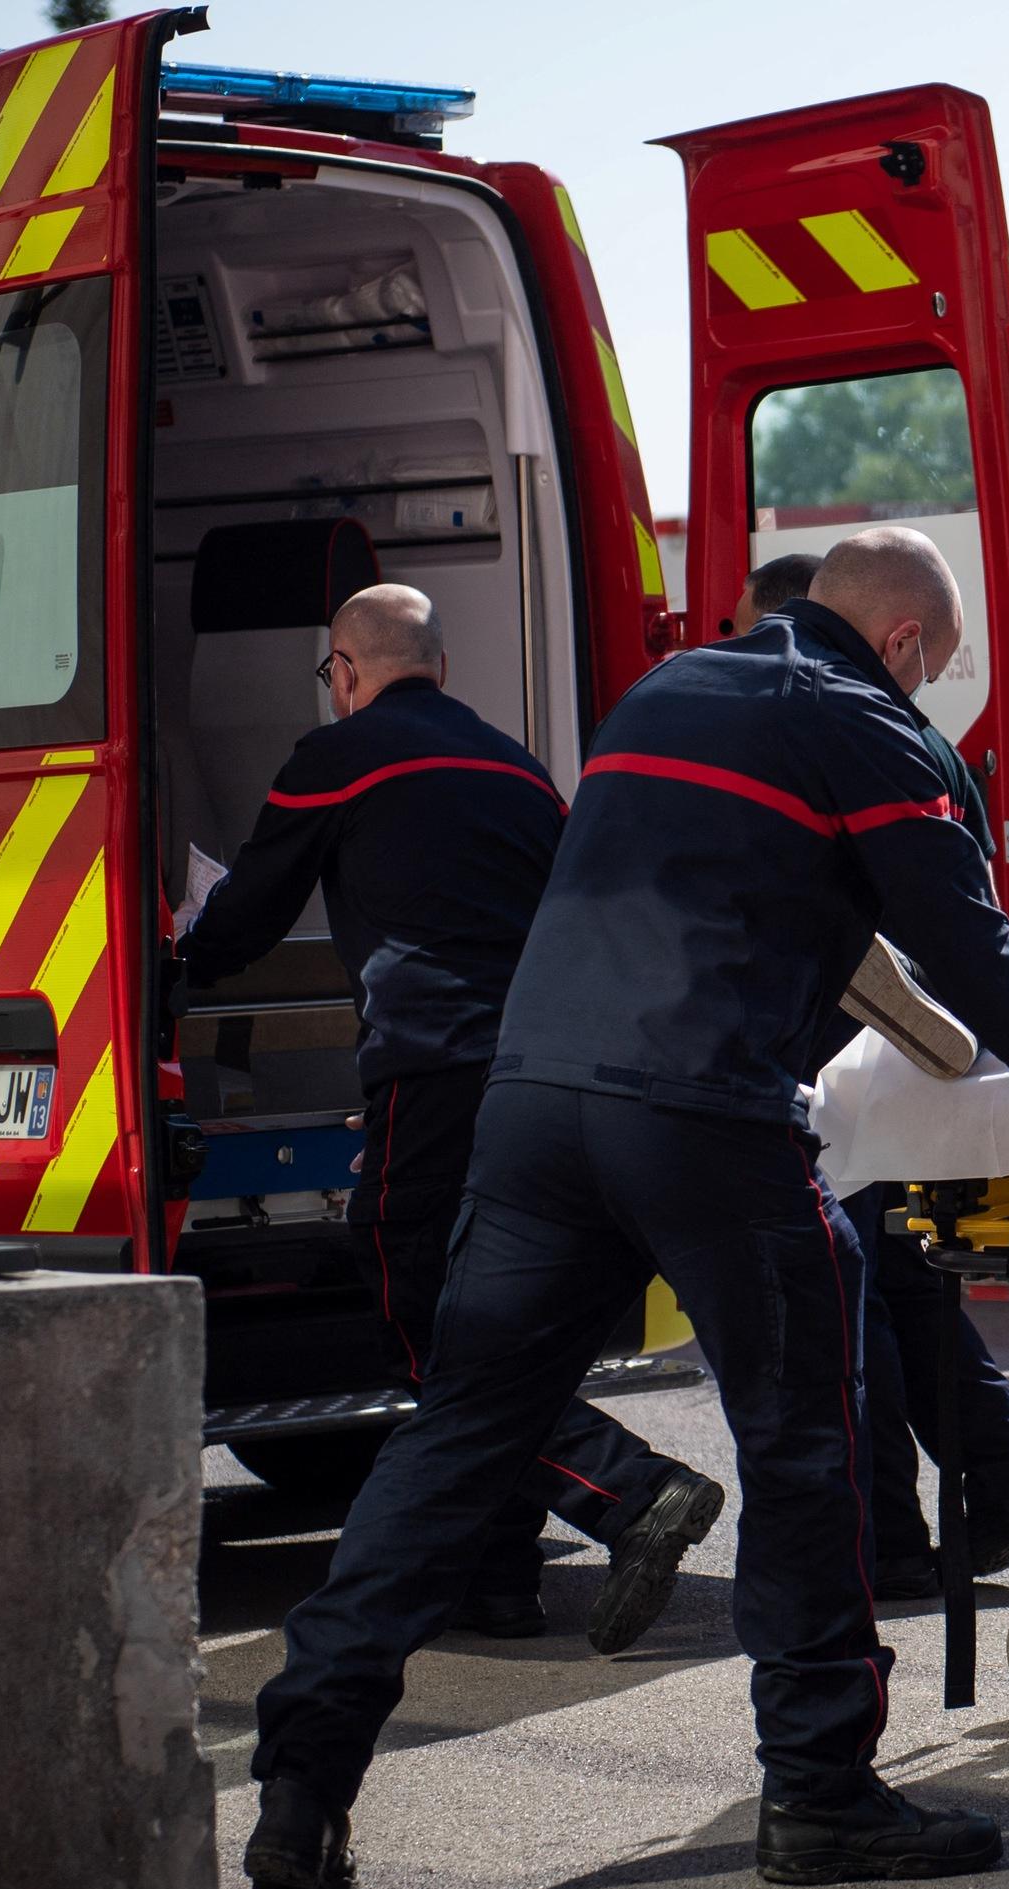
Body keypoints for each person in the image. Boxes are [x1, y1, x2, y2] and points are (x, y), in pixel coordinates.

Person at [242, 528, 1009, 1889]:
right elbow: (965, 939)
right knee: (803, 1446)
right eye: (935, 667)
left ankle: (302, 1787)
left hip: (531, 1103)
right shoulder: (867, 724)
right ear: (903, 642)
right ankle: (822, 1793)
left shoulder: (666, 693)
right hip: (707, 1116)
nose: (929, 690)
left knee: (456, 1439)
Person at [178, 584, 722, 1653]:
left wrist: (180, 943)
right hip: (546, 1079)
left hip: (434, 1074)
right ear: (439, 665)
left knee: (415, 1304)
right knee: (495, 1320)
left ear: (344, 670)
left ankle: (628, 1487)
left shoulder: (340, 757)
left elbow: (242, 924)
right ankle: (497, 1580)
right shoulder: (515, 766)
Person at [733, 551, 1009, 1599]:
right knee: (895, 1278)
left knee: (850, 1299)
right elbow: (973, 912)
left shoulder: (818, 726)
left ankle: (891, 1531)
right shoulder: (922, 742)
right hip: (906, 1057)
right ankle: (1008, 1476)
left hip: (840, 1057)